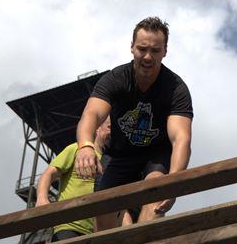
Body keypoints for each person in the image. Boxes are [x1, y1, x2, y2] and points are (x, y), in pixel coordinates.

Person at [74, 16, 194, 229]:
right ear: (132, 47)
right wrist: (85, 145)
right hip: (120, 154)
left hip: (156, 154)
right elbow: (92, 114)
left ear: (165, 51)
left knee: (158, 189)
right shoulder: (116, 78)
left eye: (155, 50)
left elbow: (181, 138)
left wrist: (174, 181)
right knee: (102, 207)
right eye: (142, 49)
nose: (147, 56)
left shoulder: (176, 88)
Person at [36, 119, 111, 241]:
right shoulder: (77, 149)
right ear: (97, 129)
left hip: (96, 232)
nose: (112, 133)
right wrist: (42, 198)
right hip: (68, 226)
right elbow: (48, 174)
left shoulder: (112, 164)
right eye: (109, 127)